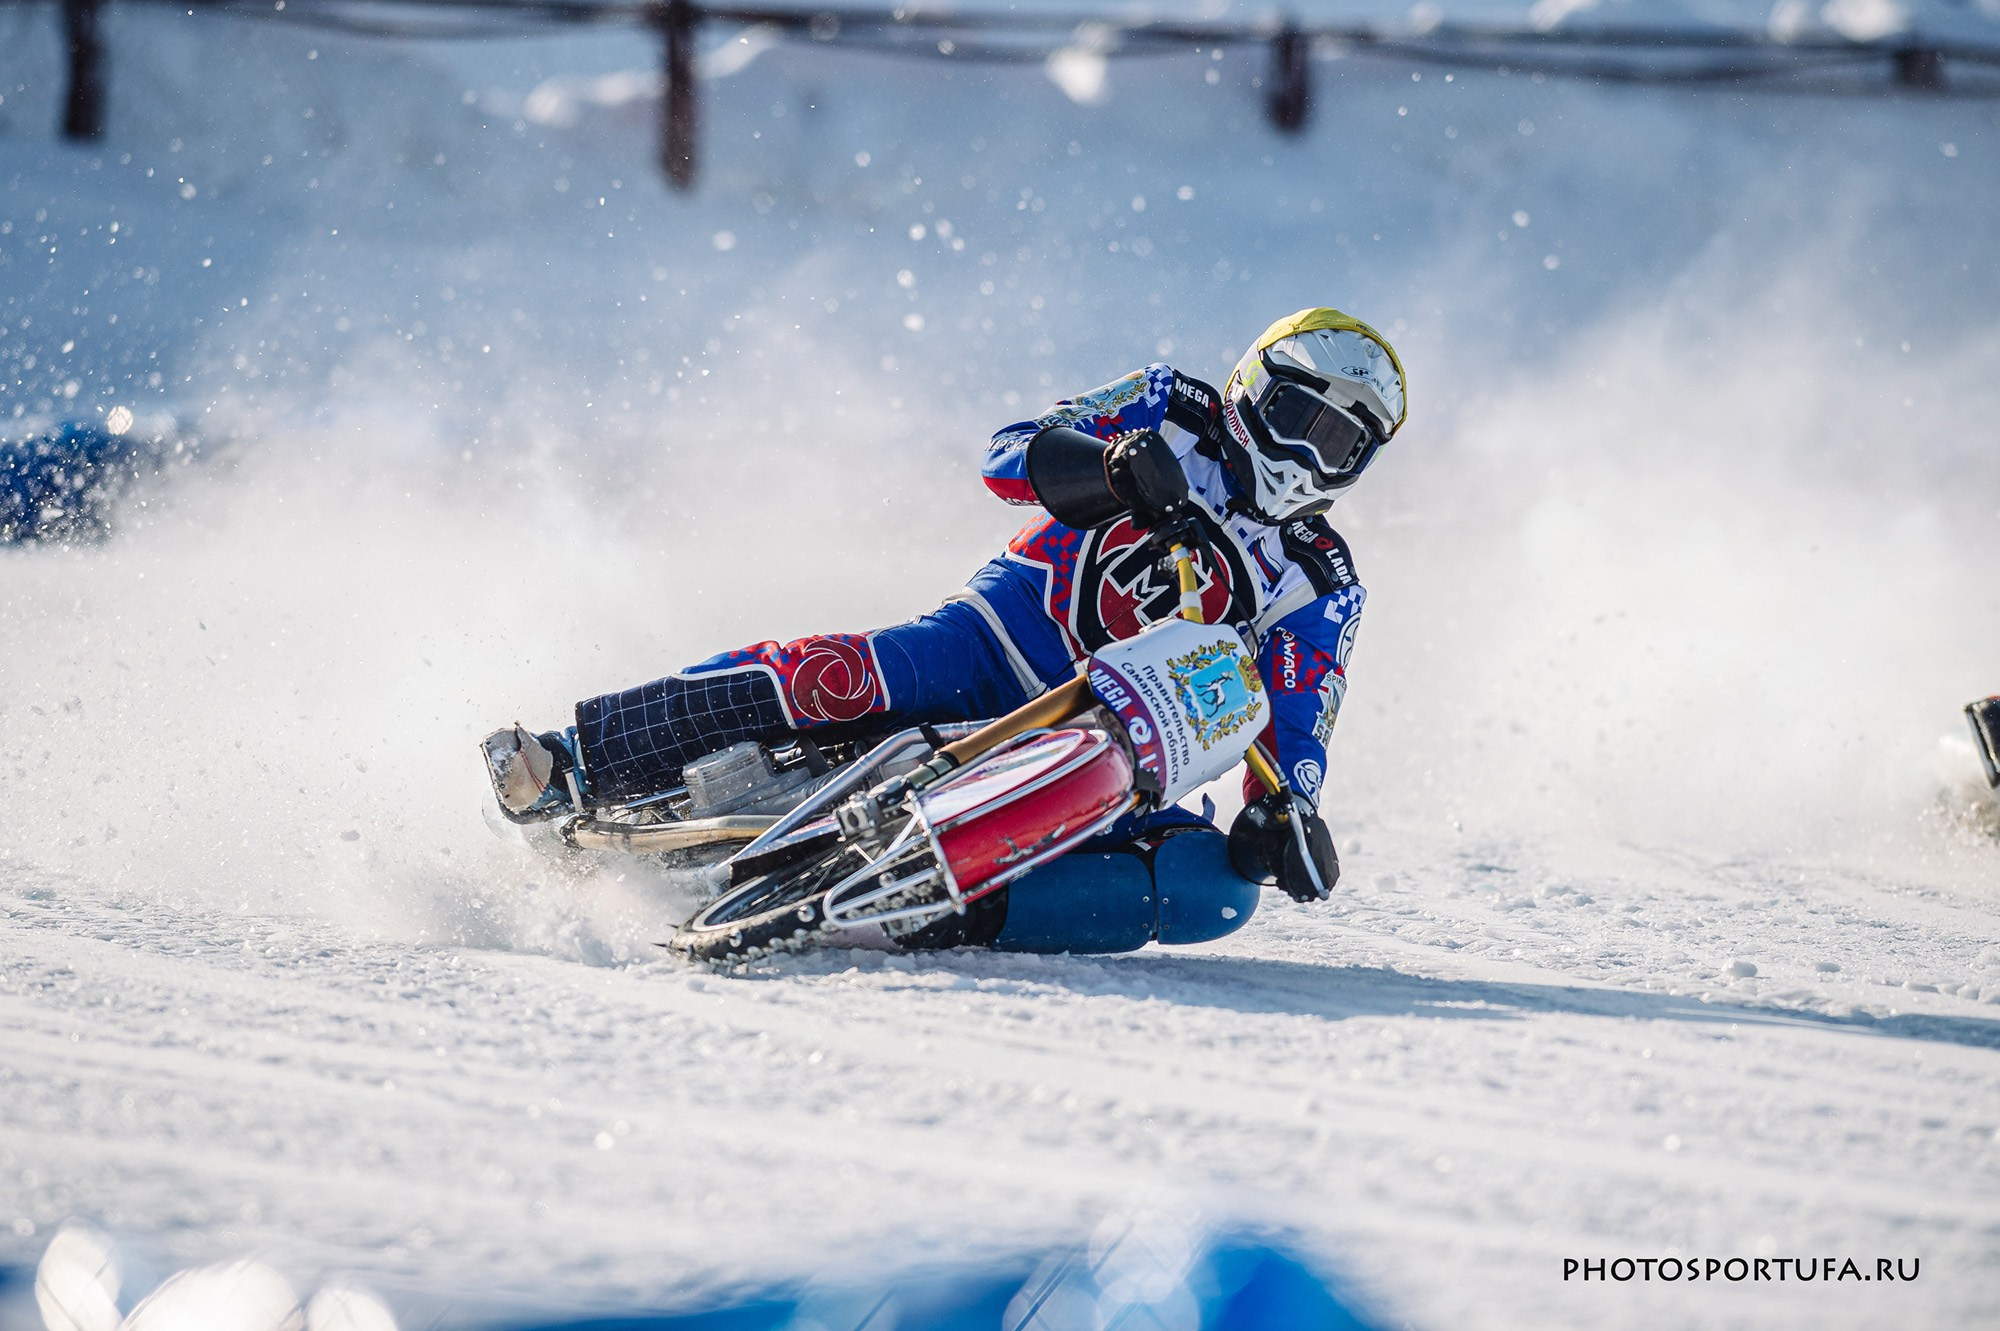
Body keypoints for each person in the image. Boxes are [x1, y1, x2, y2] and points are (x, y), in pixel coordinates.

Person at [483, 308, 1406, 953]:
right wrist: (1115, 465)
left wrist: (1284, 824)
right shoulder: (1173, 407)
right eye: (1295, 418)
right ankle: (579, 759)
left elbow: (1297, 727)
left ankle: (935, 912)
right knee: (854, 675)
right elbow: (1008, 455)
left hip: (1124, 732)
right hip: (994, 642)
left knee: (1218, 895)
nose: (1301, 456)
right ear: (1253, 387)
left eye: (1337, 444)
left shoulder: (1322, 580)